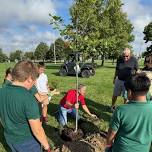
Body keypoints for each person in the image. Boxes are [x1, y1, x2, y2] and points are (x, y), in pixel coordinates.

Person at [0, 61, 51, 152]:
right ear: (29, 79)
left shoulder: (2, 91)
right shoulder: (28, 99)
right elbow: (37, 130)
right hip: (27, 141)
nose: (34, 83)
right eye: (34, 80)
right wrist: (47, 147)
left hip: (9, 138)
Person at [106, 73, 152, 152]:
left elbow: (112, 133)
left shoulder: (121, 110)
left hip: (122, 149)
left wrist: (108, 145)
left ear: (129, 92)